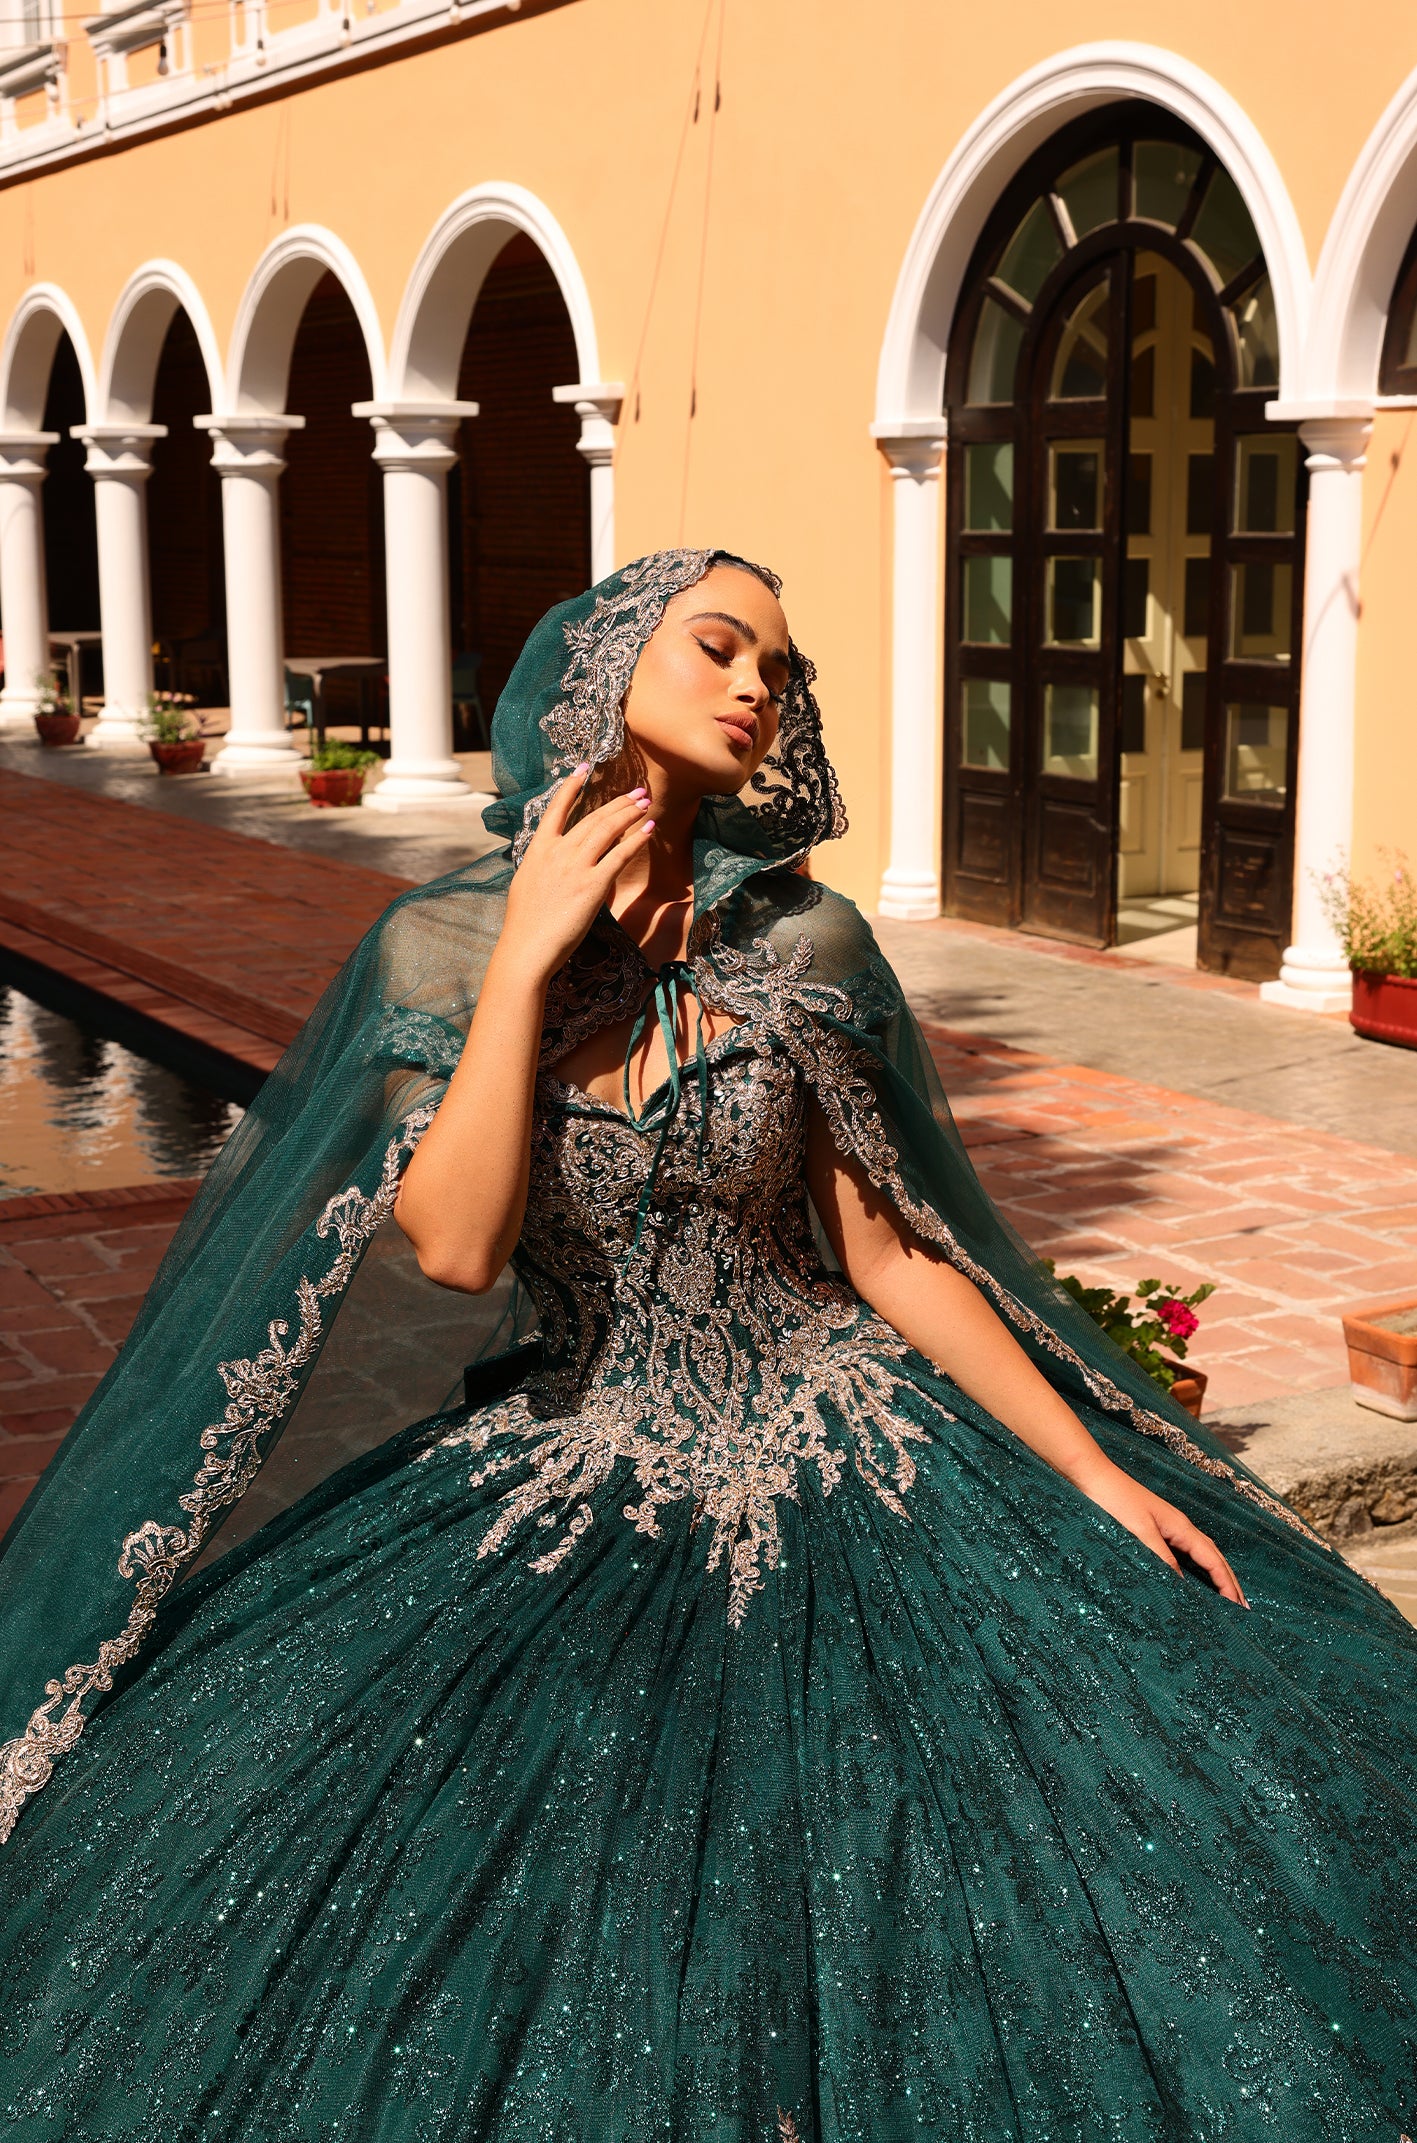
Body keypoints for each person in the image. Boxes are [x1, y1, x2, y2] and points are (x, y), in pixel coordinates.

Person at [0, 548, 1413, 2140]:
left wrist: (1094, 1466)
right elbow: (458, 1251)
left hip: (857, 1431)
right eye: (722, 647)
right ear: (601, 674)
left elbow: (884, 1252)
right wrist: (529, 960)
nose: (759, 687)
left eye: (781, 670)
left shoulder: (802, 944)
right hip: (574, 1449)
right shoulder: (439, 951)